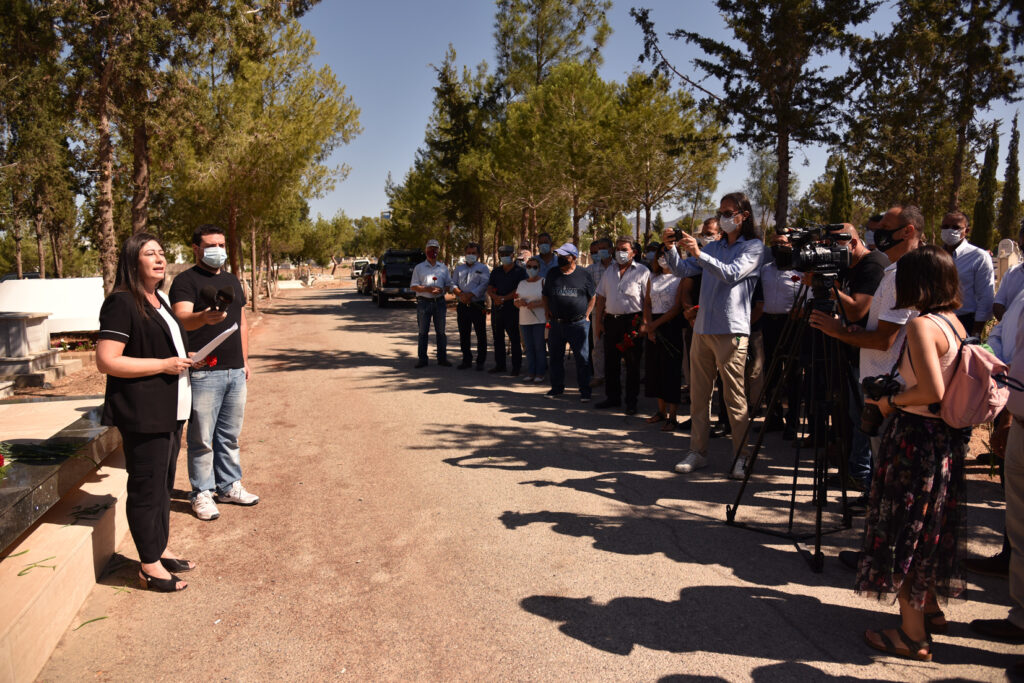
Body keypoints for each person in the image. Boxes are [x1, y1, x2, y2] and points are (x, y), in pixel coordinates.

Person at [855, 245, 968, 662]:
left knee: (907, 531)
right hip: (944, 442)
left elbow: (931, 392)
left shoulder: (922, 325)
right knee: (932, 528)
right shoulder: (953, 322)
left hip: (915, 441)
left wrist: (890, 404)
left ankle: (911, 634)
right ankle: (931, 610)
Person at [810, 205, 924, 570]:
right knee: (886, 475)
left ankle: (887, 558)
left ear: (907, 231)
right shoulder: (897, 270)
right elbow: (882, 331)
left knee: (893, 479)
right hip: (884, 386)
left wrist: (839, 330)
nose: (877, 232)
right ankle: (882, 550)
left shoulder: (904, 274)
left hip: (893, 390)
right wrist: (858, 331)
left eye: (884, 227)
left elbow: (885, 340)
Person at [98, 232, 194, 592]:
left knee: (163, 486)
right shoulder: (122, 303)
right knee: (146, 488)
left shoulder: (160, 300)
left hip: (172, 410)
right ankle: (148, 567)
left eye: (161, 252)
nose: (159, 258)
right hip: (143, 412)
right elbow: (107, 361)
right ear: (132, 260)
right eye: (149, 253)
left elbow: (166, 349)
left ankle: (159, 548)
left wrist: (185, 362)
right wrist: (163, 364)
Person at [662, 192, 765, 479]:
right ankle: (698, 451)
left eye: (729, 212)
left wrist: (699, 252)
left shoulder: (754, 247)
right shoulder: (715, 246)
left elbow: (732, 274)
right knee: (698, 395)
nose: (723, 217)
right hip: (703, 329)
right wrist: (671, 247)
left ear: (744, 215)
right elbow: (682, 269)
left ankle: (741, 456)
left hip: (731, 330)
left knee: (734, 398)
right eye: (721, 212)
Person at [170, 224, 258, 523]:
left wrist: (244, 361)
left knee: (229, 436)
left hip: (235, 370)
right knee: (202, 438)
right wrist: (202, 318)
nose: (218, 250)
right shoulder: (184, 281)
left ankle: (229, 485)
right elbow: (181, 318)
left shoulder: (233, 279)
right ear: (196, 248)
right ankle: (201, 493)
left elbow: (242, 323)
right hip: (204, 372)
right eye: (211, 245)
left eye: (221, 244)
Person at [970, 308, 1024, 673]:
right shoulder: (1021, 289)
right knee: (1019, 531)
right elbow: (1003, 342)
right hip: (1020, 418)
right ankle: (1021, 617)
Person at [828, 223, 888, 498]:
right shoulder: (847, 265)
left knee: (869, 419)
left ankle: (868, 480)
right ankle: (857, 472)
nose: (832, 252)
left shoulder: (873, 265)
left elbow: (856, 310)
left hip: (871, 355)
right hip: (853, 351)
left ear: (852, 243)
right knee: (856, 416)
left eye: (836, 245)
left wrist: (827, 287)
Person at [593, 236, 650, 414]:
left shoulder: (642, 271)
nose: (620, 253)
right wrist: (598, 322)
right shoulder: (609, 271)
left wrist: (645, 323)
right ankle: (613, 397)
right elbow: (601, 298)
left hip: (632, 321)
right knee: (611, 362)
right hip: (611, 321)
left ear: (634, 252)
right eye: (618, 249)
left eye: (624, 249)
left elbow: (648, 301)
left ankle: (631, 401)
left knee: (632, 364)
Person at [760, 232, 802, 438]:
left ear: (791, 245)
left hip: (792, 324)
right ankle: (773, 418)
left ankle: (793, 423)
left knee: (793, 375)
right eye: (774, 244)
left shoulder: (799, 269)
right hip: (769, 323)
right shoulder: (765, 270)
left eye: (782, 243)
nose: (778, 247)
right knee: (771, 372)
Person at [543, 243, 596, 401]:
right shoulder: (552, 273)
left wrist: (587, 315)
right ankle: (557, 389)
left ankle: (585, 392)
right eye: (559, 255)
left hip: (578, 324)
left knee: (582, 358)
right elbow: (545, 294)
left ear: (573, 258)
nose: (560, 258)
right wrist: (546, 310)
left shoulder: (584, 274)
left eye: (564, 256)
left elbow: (593, 296)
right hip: (556, 324)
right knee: (555, 357)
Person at [642, 244, 685, 429]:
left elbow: (677, 307)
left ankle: (673, 416)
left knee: (671, 371)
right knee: (656, 369)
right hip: (654, 325)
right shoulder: (653, 277)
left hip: (670, 326)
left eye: (666, 254)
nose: (662, 257)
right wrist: (649, 327)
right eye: (660, 254)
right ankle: (661, 411)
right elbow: (647, 303)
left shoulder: (681, 277)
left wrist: (654, 325)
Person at [940, 211, 994, 335]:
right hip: (938, 320)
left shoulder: (978, 257)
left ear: (967, 231)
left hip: (966, 321)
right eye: (945, 227)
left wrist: (976, 331)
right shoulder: (935, 255)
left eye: (955, 227)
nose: (949, 230)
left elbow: (985, 296)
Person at [409, 238, 453, 368]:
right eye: (430, 249)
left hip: (439, 302)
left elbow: (449, 286)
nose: (432, 251)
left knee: (441, 332)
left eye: (435, 249)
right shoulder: (419, 268)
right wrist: (427, 289)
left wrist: (442, 289)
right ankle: (422, 359)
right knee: (423, 332)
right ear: (426, 250)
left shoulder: (443, 268)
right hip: (424, 303)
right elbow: (413, 286)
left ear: (438, 251)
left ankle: (442, 358)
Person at [488, 245, 527, 375]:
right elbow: (489, 287)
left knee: (514, 338)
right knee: (497, 338)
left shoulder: (520, 271)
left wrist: (504, 298)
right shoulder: (496, 271)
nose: (504, 257)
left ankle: (516, 367)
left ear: (512, 255)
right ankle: (500, 365)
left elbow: (519, 289)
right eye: (502, 254)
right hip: (497, 308)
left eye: (507, 254)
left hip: (512, 309)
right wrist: (495, 297)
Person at [452, 242, 490, 370]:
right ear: (465, 254)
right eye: (468, 253)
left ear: (478, 254)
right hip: (462, 305)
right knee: (464, 333)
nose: (471, 255)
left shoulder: (483, 268)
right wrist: (461, 295)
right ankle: (466, 359)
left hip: (477, 305)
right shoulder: (459, 268)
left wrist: (470, 295)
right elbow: (453, 284)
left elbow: (484, 284)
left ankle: (480, 361)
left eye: (473, 253)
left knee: (480, 334)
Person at [515, 256, 548, 382]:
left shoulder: (543, 282)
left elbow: (548, 301)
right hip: (524, 320)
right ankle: (531, 372)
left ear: (539, 269)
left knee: (539, 347)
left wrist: (536, 304)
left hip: (539, 320)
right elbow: (515, 301)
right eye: (529, 267)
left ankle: (540, 373)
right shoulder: (521, 283)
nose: (531, 269)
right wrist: (519, 302)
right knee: (528, 347)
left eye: (534, 267)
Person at [587, 238, 613, 389]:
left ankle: (615, 376)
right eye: (597, 250)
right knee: (597, 345)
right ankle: (599, 376)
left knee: (616, 346)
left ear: (611, 249)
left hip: (614, 311)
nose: (600, 252)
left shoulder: (618, 267)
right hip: (597, 312)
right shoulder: (591, 269)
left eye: (603, 248)